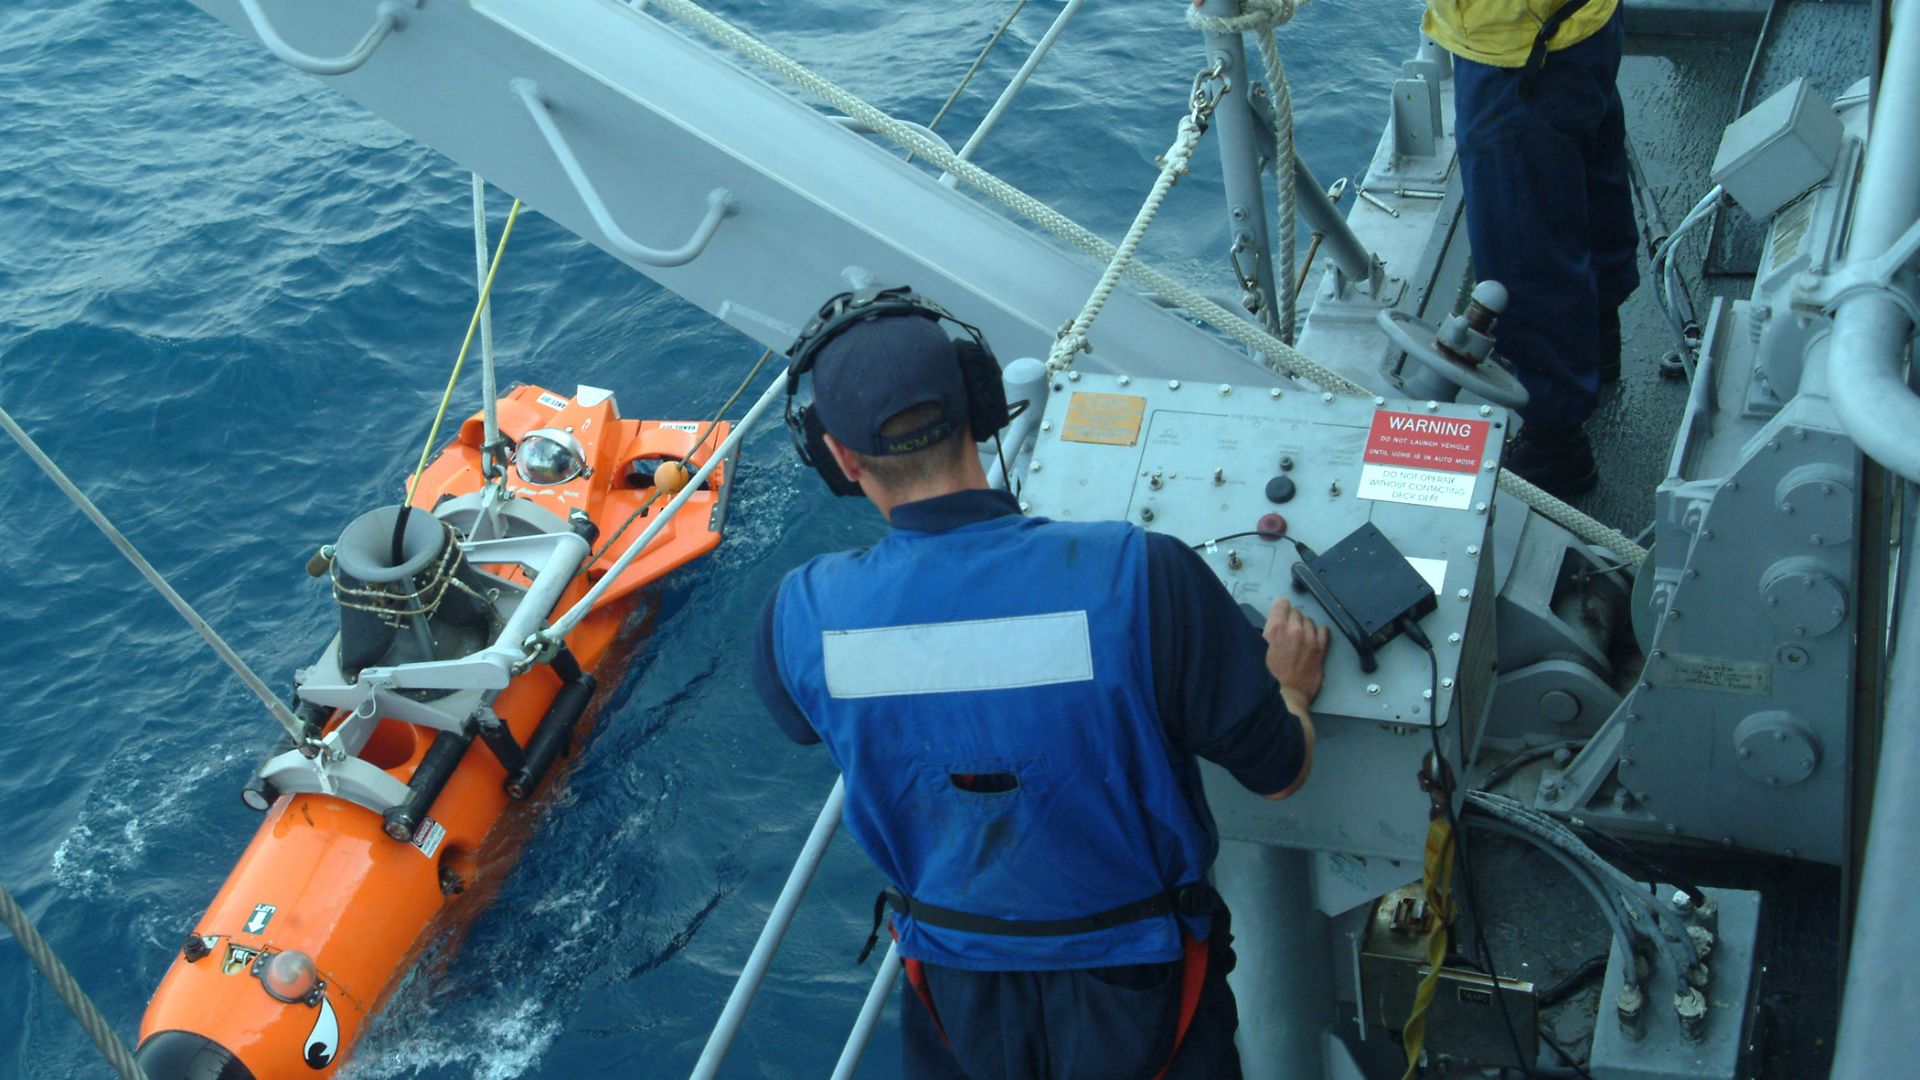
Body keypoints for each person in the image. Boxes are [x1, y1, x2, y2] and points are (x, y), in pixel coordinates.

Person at [751, 287, 1330, 1079]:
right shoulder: (1139, 574)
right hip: (1145, 988)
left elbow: (808, 717)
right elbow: (1282, 773)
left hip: (957, 996)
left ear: (841, 460)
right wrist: (1290, 688)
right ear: (982, 406)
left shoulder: (799, 612)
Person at [1423, 0, 1639, 497]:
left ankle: (1555, 443)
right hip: (1584, 20)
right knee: (1588, 173)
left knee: (1523, 249)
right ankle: (1600, 338)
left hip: (1514, 46)